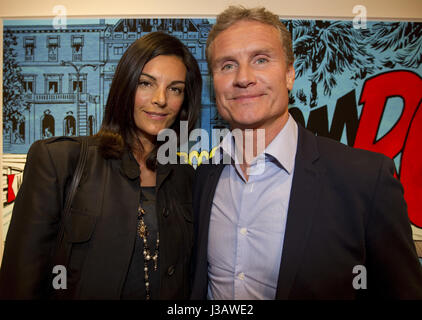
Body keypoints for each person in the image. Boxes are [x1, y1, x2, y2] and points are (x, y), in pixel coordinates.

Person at [190, 6, 422, 299]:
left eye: (261, 60)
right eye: (227, 65)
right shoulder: (203, 176)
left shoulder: (365, 180)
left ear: (290, 74)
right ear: (214, 83)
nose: (243, 77)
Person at [0, 31, 202, 299]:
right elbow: (19, 285)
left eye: (175, 89)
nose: (161, 99)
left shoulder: (186, 178)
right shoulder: (60, 161)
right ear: (125, 86)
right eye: (146, 83)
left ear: (184, 102)